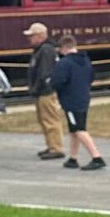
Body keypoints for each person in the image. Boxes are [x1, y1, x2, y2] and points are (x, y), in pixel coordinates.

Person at [50, 36, 105, 170]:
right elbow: (91, 76)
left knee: (79, 130)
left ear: (63, 48)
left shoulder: (64, 63)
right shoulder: (85, 60)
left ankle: (96, 157)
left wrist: (50, 84)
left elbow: (57, 81)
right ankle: (73, 158)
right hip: (83, 97)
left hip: (70, 100)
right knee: (74, 130)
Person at [25, 21, 67, 159]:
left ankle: (56, 148)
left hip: (46, 91)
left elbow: (44, 72)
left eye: (32, 36)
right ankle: (51, 145)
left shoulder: (46, 50)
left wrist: (36, 88)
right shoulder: (41, 50)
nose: (29, 39)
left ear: (41, 36)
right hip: (42, 91)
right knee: (44, 120)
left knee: (50, 120)